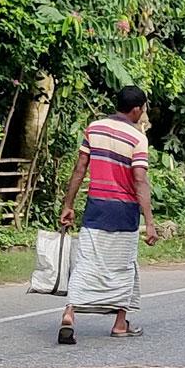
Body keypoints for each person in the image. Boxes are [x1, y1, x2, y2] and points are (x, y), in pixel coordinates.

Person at [55, 86, 159, 342]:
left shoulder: (94, 129)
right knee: (124, 267)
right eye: (143, 108)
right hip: (124, 211)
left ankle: (70, 313)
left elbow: (80, 168)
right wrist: (149, 222)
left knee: (86, 262)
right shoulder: (137, 138)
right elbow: (139, 181)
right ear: (137, 109)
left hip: (96, 207)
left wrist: (68, 204)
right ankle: (120, 323)